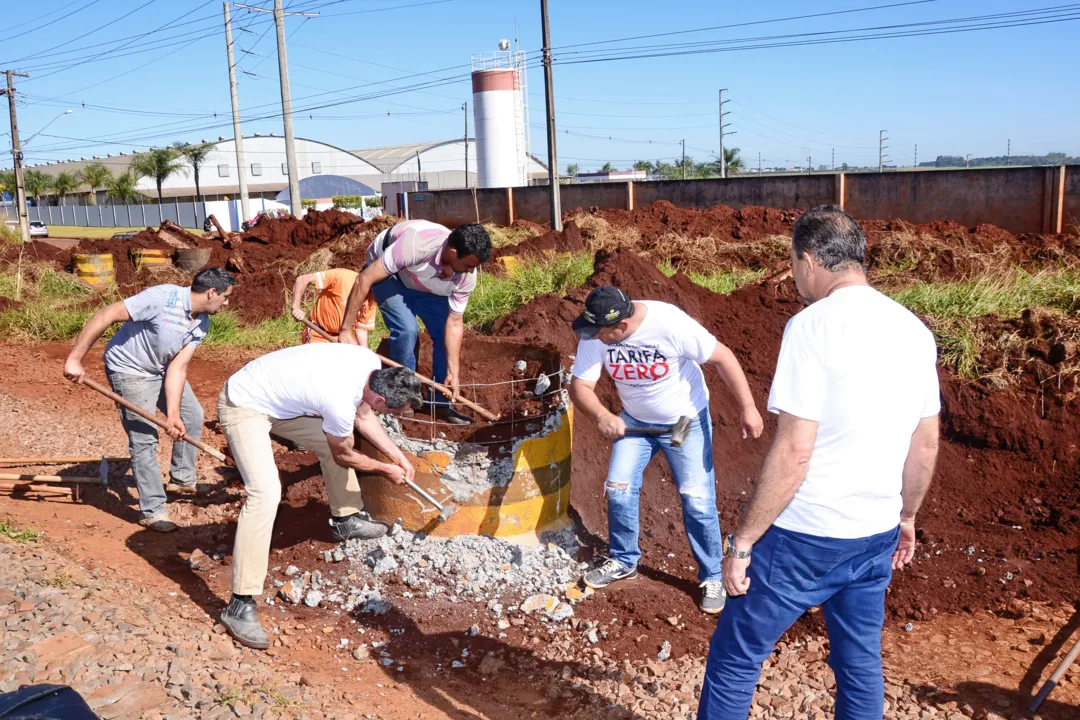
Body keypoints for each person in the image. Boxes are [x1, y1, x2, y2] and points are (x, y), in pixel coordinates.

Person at [698, 205, 941, 719]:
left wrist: (741, 543)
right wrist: (907, 517)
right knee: (859, 663)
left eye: (793, 265)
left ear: (808, 261)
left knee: (735, 659)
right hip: (875, 533)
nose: (794, 277)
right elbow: (924, 445)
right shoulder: (915, 331)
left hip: (806, 537)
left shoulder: (811, 326)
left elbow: (795, 450)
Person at [568, 286, 764, 614]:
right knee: (618, 488)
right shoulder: (595, 334)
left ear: (622, 326)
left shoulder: (670, 324)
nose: (594, 337)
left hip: (683, 422)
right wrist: (602, 415)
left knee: (696, 498)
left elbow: (724, 357)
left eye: (600, 332)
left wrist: (748, 407)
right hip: (634, 422)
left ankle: (713, 575)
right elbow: (581, 386)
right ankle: (624, 560)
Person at [216, 343, 423, 649]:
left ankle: (346, 518)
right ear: (381, 399)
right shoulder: (339, 401)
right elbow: (344, 456)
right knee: (266, 493)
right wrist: (385, 469)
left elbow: (365, 416)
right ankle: (240, 603)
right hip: (243, 403)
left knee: (335, 439)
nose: (393, 415)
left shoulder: (369, 365)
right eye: (392, 411)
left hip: (279, 400)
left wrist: (399, 457)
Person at [63, 267, 236, 532]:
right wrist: (75, 359)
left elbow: (178, 368)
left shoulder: (202, 322)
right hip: (129, 370)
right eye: (225, 296)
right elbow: (106, 314)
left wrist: (173, 415)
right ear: (212, 292)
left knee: (191, 416)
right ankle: (153, 510)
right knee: (145, 438)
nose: (227, 303)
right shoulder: (162, 298)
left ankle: (181, 479)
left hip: (161, 368)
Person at [338, 220, 492, 424]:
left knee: (443, 333)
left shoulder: (466, 276)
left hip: (425, 283)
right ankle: (400, 400)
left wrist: (453, 372)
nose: (471, 271)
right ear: (453, 253)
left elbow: (454, 323)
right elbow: (364, 279)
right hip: (391, 275)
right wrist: (346, 329)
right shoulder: (415, 244)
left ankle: (440, 404)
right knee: (407, 330)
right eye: (468, 266)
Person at [290, 268, 378, 346]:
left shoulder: (371, 298)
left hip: (344, 338)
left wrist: (364, 353)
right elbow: (302, 279)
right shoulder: (341, 276)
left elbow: (362, 330)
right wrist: (296, 307)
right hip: (318, 334)